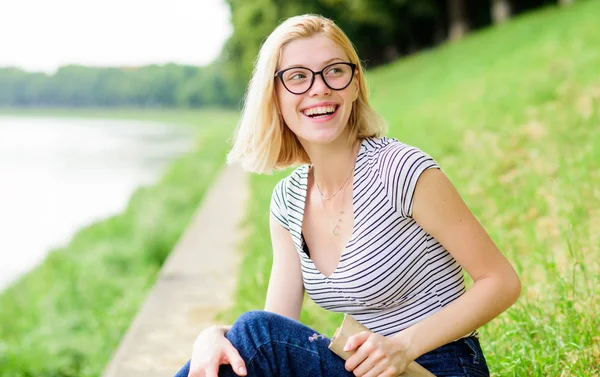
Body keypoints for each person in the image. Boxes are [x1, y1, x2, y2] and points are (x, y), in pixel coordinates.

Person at [174, 13, 521, 377]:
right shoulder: (287, 202)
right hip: (362, 368)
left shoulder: (399, 169)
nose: (319, 88)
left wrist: (404, 346)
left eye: (334, 71)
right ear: (274, 96)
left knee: (258, 335)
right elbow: (273, 328)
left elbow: (500, 281)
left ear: (355, 84)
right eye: (297, 77)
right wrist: (213, 336)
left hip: (439, 364)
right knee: (234, 348)